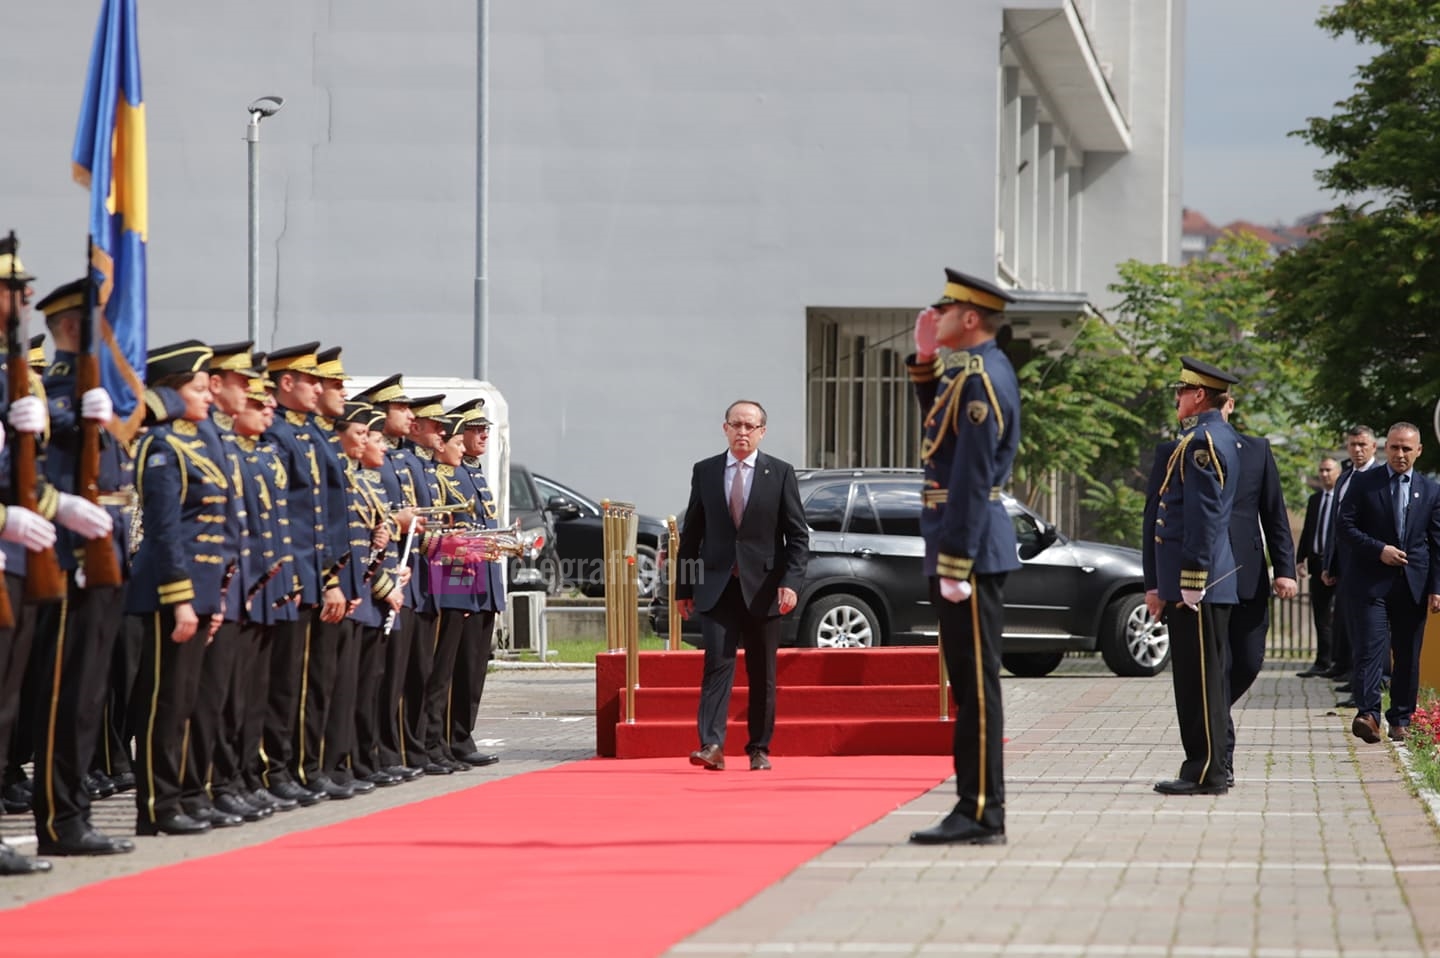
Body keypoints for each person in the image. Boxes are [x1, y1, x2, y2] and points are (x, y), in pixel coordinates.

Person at [904, 269, 1020, 846]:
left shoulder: (981, 378)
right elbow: (942, 436)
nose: (937, 317)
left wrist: (954, 561)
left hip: (968, 549)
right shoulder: (969, 373)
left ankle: (980, 812)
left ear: (970, 318)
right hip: (964, 545)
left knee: (976, 687)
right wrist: (925, 362)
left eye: (945, 311)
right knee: (970, 685)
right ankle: (974, 806)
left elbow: (972, 476)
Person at [675, 399, 808, 773]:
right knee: (716, 665)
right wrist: (683, 588)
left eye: (750, 426)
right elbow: (692, 534)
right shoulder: (705, 471)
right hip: (717, 587)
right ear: (725, 428)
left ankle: (759, 747)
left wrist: (791, 582)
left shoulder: (779, 473)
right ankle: (712, 745)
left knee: (762, 673)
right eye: (736, 424)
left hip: (763, 589)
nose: (742, 432)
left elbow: (798, 536)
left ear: (762, 432)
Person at [1143, 356, 1241, 797]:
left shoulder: (1203, 441)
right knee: (1201, 681)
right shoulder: (1211, 437)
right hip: (1200, 582)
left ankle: (1205, 771)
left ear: (1199, 395)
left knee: (1199, 684)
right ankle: (1205, 767)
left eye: (1181, 391)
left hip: (1199, 583)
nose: (1178, 398)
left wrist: (1192, 578)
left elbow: (1204, 517)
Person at [1336, 422, 1440, 744]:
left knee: (1407, 654)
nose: (1400, 454)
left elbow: (1437, 543)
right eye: (1394, 447)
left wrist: (1436, 588)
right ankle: (1368, 715)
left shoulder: (1431, 490)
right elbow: (1345, 526)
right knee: (1370, 649)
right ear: (1385, 449)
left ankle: (1401, 719)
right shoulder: (1364, 483)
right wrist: (1378, 550)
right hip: (1370, 583)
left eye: (1407, 448)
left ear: (1418, 451)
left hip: (1413, 584)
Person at [1218, 395, 1297, 786]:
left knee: (1249, 662)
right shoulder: (1184, 450)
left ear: (1229, 406)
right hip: (1204, 580)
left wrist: (1285, 569)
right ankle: (1220, 755)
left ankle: (1210, 710)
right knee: (1216, 669)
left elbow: (1274, 513)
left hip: (1248, 575)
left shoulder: (1256, 450)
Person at [1323, 425, 1379, 706]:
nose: (1357, 450)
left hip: (1370, 565)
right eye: (1353, 445)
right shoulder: (1344, 478)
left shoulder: (1381, 477)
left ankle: (1368, 691)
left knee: (1369, 632)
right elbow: (1336, 526)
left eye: (1362, 445)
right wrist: (1329, 564)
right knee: (1351, 628)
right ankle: (1358, 685)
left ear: (1373, 447)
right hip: (1346, 567)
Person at [1295, 456, 1340, 677]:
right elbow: (1308, 530)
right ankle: (1322, 661)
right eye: (1321, 470)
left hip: (1337, 566)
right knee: (1320, 615)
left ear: (1338, 472)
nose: (1324, 474)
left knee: (1339, 616)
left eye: (1328, 470)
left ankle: (1339, 661)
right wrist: (1300, 559)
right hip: (1315, 563)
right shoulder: (1315, 500)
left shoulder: (1343, 499)